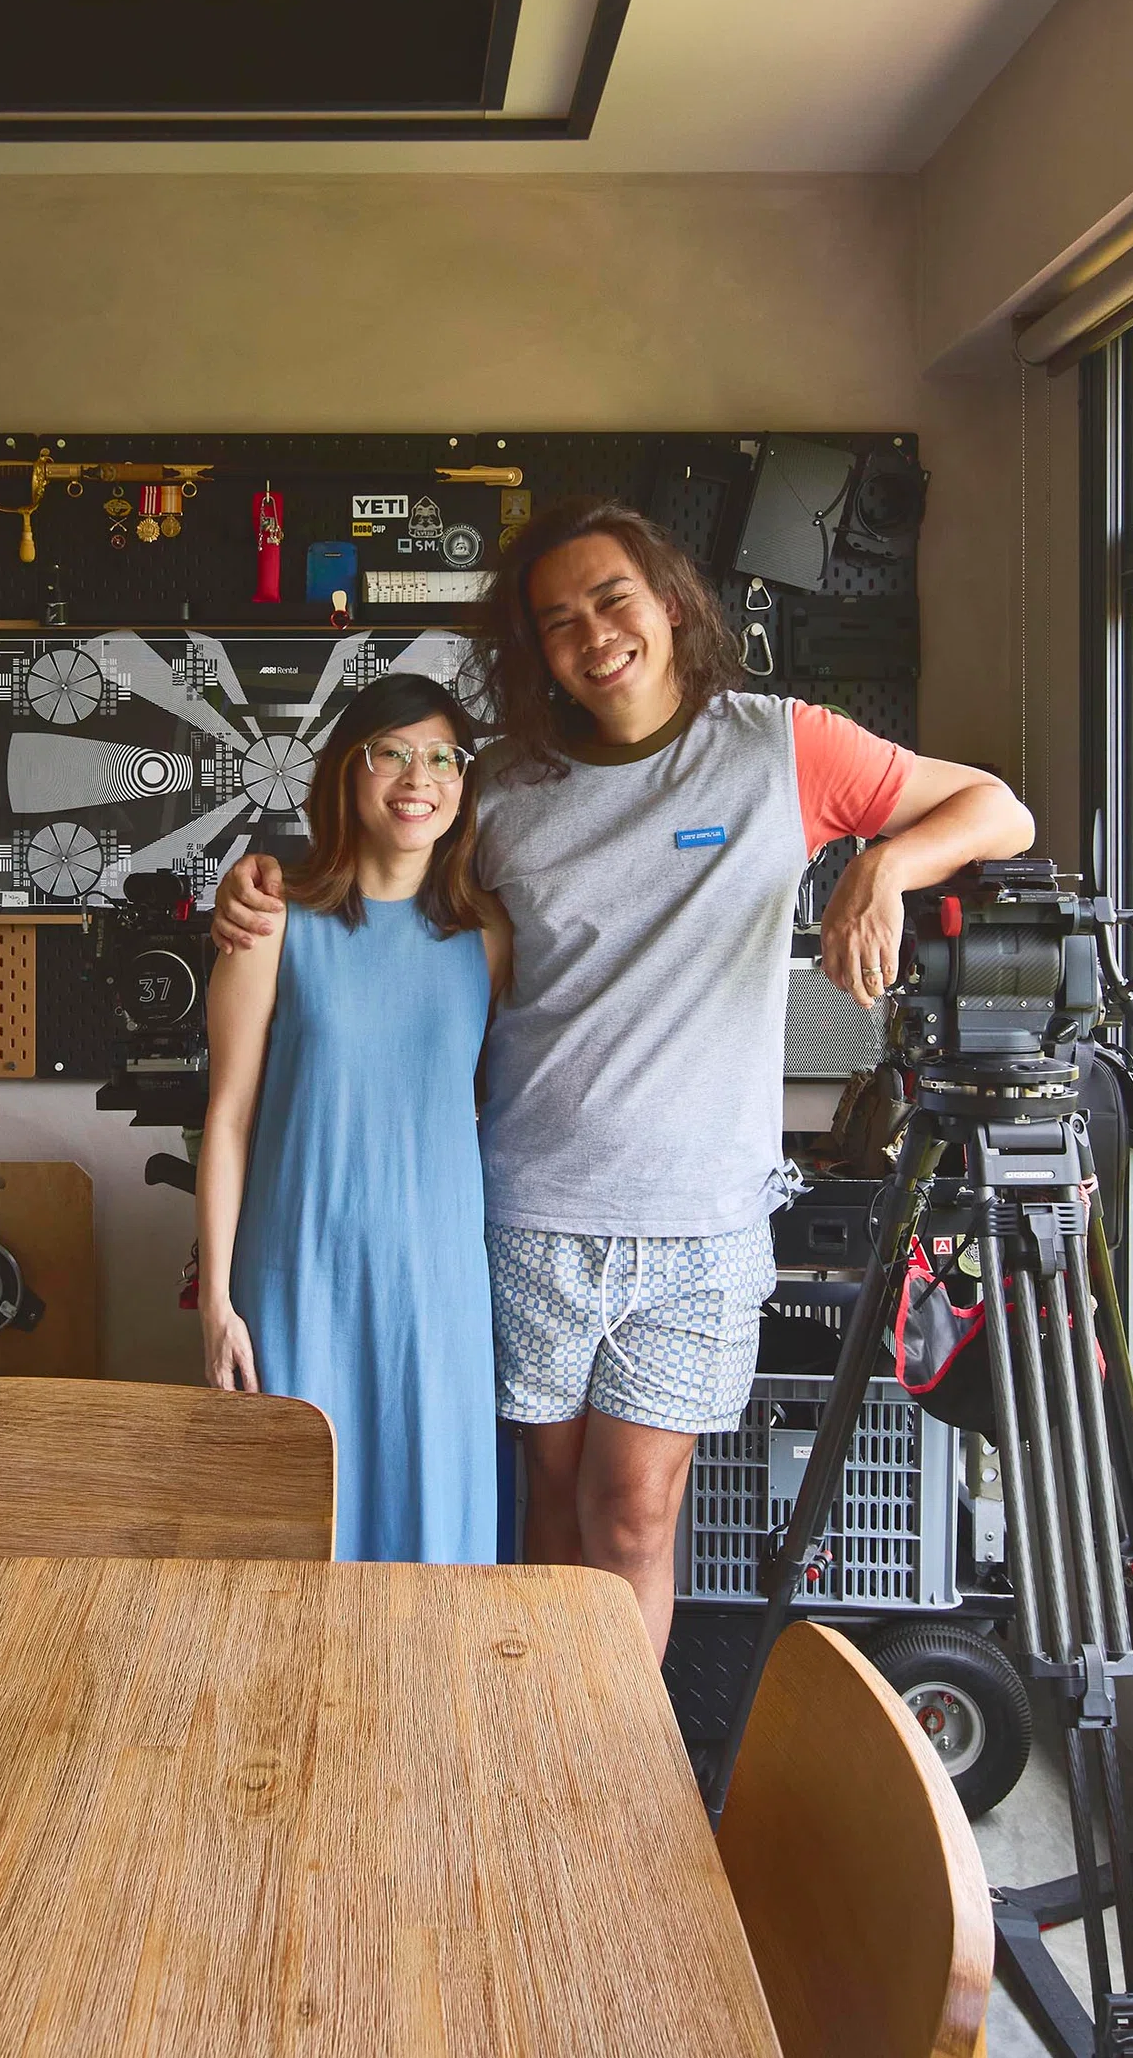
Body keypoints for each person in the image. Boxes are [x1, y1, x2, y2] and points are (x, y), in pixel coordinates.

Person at [214, 499, 1033, 1649]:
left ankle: (620, 1773)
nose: (593, 633)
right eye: (556, 621)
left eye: (612, 599)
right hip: (528, 1212)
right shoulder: (500, 787)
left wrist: (885, 865)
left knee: (637, 1515)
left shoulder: (779, 747)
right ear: (533, 652)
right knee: (547, 1512)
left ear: (668, 600)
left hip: (700, 1225)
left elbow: (997, 806)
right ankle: (545, 1747)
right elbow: (386, 869)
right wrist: (261, 883)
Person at [199, 671, 511, 1565]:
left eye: (442, 757)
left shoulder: (487, 938)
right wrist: (216, 1303)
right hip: (300, 1278)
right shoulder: (271, 919)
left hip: (438, 1291)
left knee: (434, 1544)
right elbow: (226, 1120)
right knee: (294, 1541)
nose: (420, 777)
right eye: (392, 753)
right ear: (346, 770)